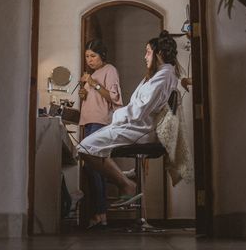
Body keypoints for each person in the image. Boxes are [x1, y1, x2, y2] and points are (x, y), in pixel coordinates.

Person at [77, 30, 181, 208]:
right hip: (136, 125)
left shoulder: (162, 77)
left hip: (141, 129)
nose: (144, 56)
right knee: (87, 148)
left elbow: (137, 110)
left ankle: (127, 184)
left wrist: (115, 117)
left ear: (160, 54)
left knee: (86, 148)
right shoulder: (158, 75)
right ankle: (126, 178)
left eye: (148, 52)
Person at [78, 39, 123, 229]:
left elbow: (114, 98)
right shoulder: (93, 74)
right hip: (88, 123)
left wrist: (93, 84)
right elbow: (95, 98)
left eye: (93, 56)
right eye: (87, 56)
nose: (89, 60)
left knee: (96, 169)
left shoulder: (109, 70)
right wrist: (84, 93)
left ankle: (100, 214)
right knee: (92, 169)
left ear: (102, 55)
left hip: (101, 123)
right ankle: (100, 214)